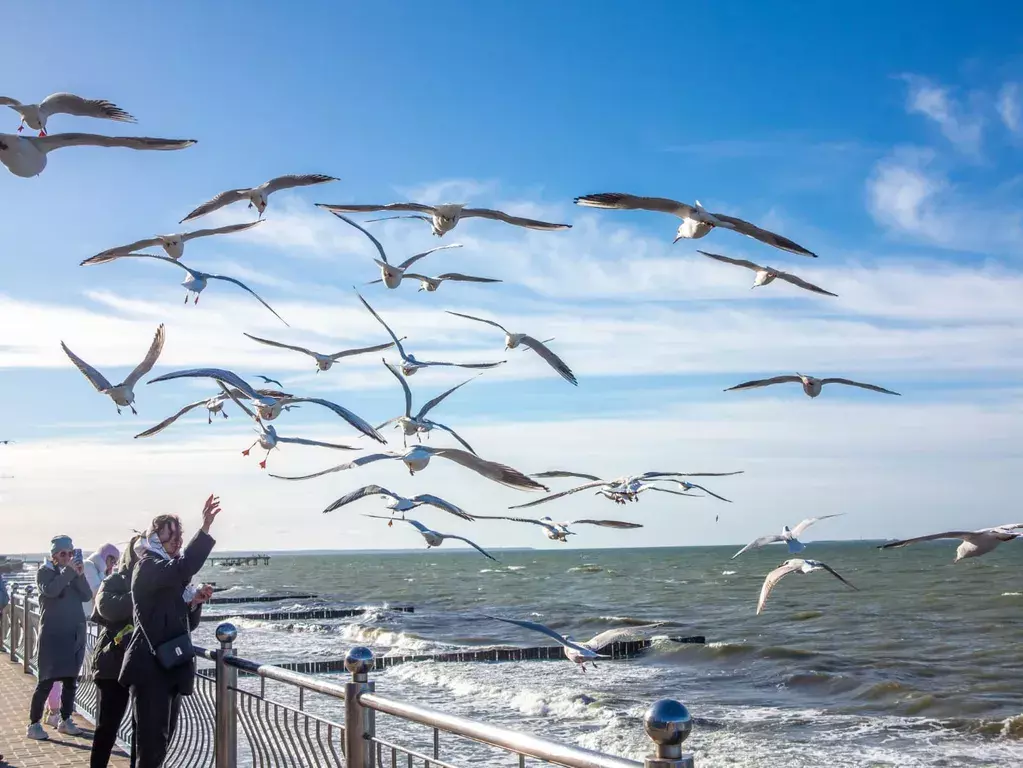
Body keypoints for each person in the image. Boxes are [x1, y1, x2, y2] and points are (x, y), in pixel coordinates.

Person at [120, 495, 220, 768]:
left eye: (179, 535)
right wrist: (206, 528)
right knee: (151, 746)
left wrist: (193, 601)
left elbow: (184, 622)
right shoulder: (148, 566)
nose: (176, 541)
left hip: (169, 666)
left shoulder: (168, 571)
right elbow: (185, 566)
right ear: (154, 539)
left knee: (160, 742)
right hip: (150, 670)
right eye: (170, 536)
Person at [27, 535, 92, 741]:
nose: (67, 557)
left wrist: (79, 575)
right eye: (63, 554)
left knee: (71, 681)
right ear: (54, 556)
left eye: (70, 554)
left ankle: (66, 720)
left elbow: (87, 596)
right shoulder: (44, 573)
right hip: (53, 636)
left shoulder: (73, 573)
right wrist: (68, 572)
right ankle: (34, 724)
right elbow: (52, 590)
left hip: (73, 634)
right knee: (45, 681)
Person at [88, 537, 140, 768]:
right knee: (108, 725)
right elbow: (106, 608)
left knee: (143, 729)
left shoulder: (161, 581)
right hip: (113, 660)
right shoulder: (113, 580)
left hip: (144, 664)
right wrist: (142, 591)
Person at [82, 543, 121, 616]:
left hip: (90, 616)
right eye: (113, 561)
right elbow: (96, 592)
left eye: (115, 563)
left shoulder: (100, 571)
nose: (113, 565)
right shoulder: (88, 565)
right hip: (85, 615)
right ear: (106, 557)